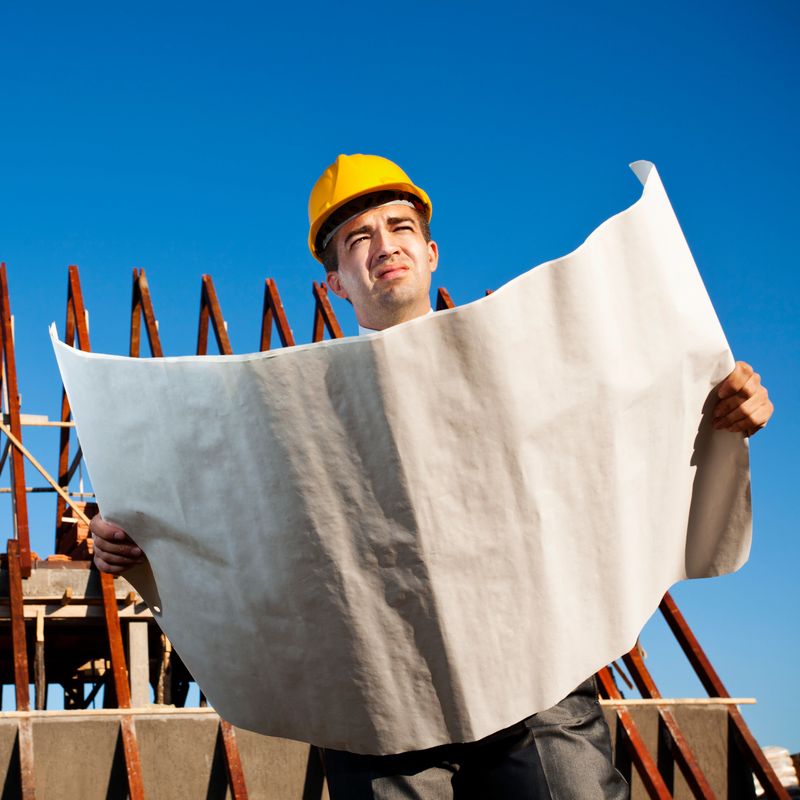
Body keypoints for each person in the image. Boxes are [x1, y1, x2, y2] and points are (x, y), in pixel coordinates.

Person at [91, 154, 774, 798]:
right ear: (333, 281)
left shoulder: (520, 363)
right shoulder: (289, 415)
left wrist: (721, 405)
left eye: (401, 227)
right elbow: (226, 512)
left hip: (538, 675)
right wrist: (132, 536)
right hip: (380, 702)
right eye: (357, 238)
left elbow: (620, 419)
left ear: (430, 251)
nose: (384, 245)